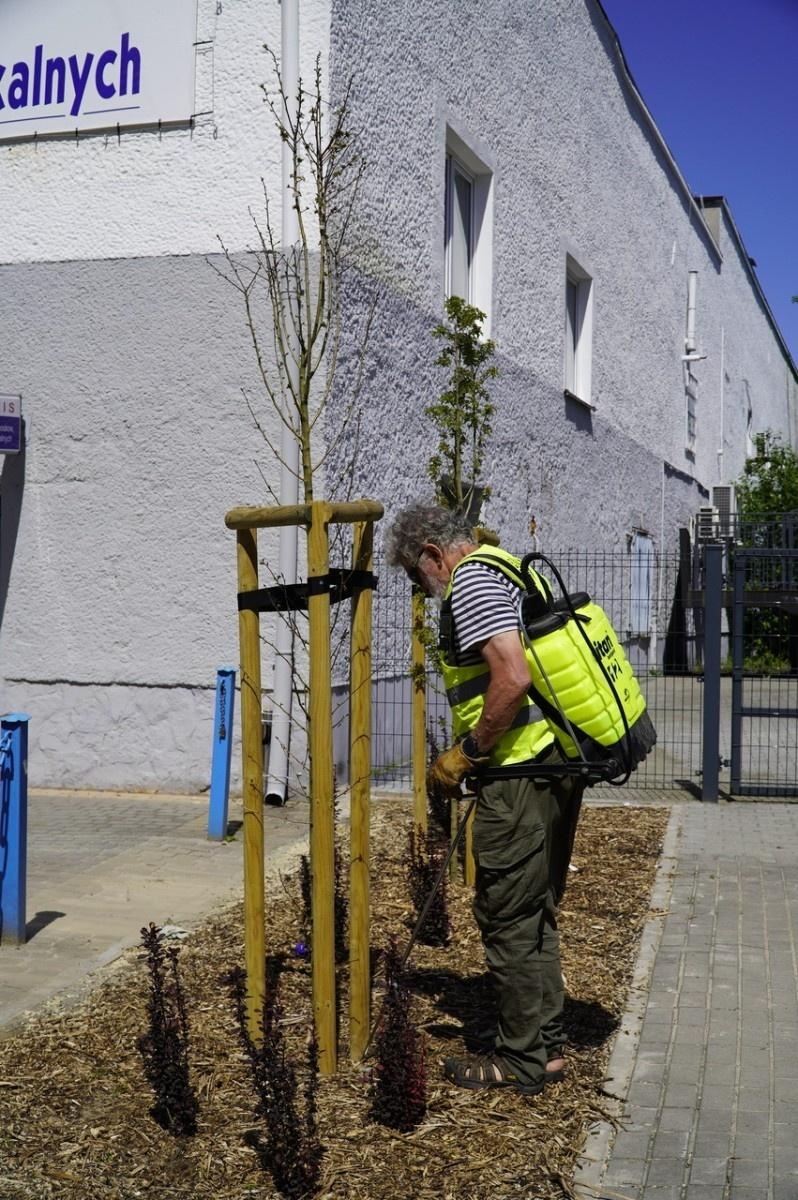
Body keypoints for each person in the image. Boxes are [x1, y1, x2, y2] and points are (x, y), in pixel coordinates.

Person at [386, 502, 584, 1097]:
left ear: (431, 555)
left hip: (520, 776)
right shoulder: (507, 566)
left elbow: (513, 679)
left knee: (506, 914)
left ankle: (521, 1058)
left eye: (416, 577)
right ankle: (544, 1044)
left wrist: (469, 751)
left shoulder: (470, 580)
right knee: (534, 908)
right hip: (551, 765)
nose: (423, 590)